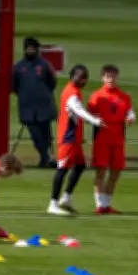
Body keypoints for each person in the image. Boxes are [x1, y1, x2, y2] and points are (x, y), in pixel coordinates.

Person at [47, 65, 104, 216]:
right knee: (63, 169)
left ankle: (66, 198)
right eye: (81, 77)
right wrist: (95, 121)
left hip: (75, 139)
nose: (84, 80)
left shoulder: (74, 91)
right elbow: (79, 111)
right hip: (68, 138)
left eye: (86, 77)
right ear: (73, 77)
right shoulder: (71, 93)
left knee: (80, 166)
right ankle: (53, 203)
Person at [87, 64, 134, 215]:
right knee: (100, 171)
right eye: (108, 76)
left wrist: (130, 117)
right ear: (102, 78)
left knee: (116, 171)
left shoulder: (124, 96)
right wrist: (95, 119)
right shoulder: (97, 96)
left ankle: (106, 204)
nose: (111, 79)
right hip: (102, 137)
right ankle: (99, 205)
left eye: (113, 76)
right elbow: (88, 115)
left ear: (117, 77)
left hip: (118, 138)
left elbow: (130, 112)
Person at [12, 37, 57, 168]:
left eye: (32, 48)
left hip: (43, 105)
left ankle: (45, 159)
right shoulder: (19, 67)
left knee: (46, 134)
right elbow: (15, 86)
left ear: (36, 50)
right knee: (35, 135)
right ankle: (46, 157)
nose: (30, 50)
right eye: (28, 48)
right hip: (27, 107)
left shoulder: (44, 65)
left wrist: (42, 94)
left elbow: (52, 82)